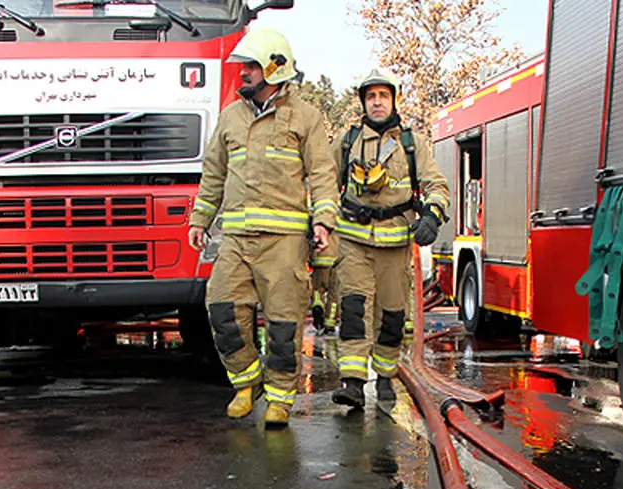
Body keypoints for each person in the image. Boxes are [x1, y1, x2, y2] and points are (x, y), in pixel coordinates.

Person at [188, 29, 339, 428]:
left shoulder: (305, 117)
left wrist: (324, 221)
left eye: (252, 66)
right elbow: (214, 173)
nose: (244, 73)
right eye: (245, 66)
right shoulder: (230, 116)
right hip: (236, 240)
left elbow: (323, 173)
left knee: (284, 324)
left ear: (275, 68)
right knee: (221, 308)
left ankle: (279, 399)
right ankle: (246, 382)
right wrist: (200, 219)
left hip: (284, 242)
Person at [330, 69, 450, 412]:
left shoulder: (413, 144)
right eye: (371, 97)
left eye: (383, 95)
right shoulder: (347, 141)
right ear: (363, 103)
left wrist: (431, 215)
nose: (377, 102)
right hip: (353, 242)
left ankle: (384, 376)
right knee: (353, 311)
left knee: (392, 316)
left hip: (396, 246)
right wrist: (318, 222)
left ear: (394, 100)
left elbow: (436, 186)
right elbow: (324, 179)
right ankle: (352, 383)